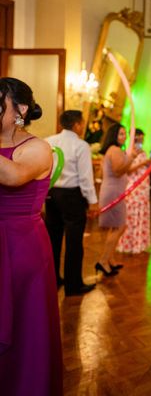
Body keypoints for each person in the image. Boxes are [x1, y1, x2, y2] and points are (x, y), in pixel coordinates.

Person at [0, 77, 62, 395]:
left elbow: (12, 176)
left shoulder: (38, 147)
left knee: (24, 326)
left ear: (20, 109)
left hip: (20, 245)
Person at [45, 109, 98, 296]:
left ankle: (53, 280)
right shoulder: (81, 145)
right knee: (74, 242)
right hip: (72, 196)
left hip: (51, 195)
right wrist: (92, 202)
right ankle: (73, 285)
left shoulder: (49, 141)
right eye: (82, 123)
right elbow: (85, 178)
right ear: (76, 124)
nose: (82, 127)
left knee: (53, 239)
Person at [97, 123, 140, 275]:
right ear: (113, 135)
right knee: (120, 227)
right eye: (121, 134)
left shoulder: (115, 150)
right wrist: (131, 158)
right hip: (113, 193)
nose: (124, 137)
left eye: (124, 134)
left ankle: (110, 259)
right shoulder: (114, 150)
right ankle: (103, 260)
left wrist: (132, 160)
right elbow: (118, 171)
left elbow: (123, 169)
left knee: (116, 227)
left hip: (114, 191)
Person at [117, 129, 151, 254]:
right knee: (131, 215)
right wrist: (143, 163)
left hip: (143, 188)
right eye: (138, 139)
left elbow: (145, 168)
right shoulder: (127, 152)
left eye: (142, 139)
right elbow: (128, 170)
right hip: (133, 188)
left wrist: (149, 162)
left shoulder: (143, 153)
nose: (140, 142)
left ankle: (140, 244)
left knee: (142, 214)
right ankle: (128, 244)